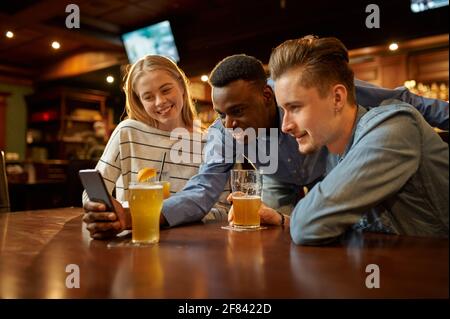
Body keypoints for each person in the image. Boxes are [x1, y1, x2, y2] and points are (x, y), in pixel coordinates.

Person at [85, 53, 449, 239]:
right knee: (282, 239)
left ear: (267, 95)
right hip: (280, 182)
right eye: (220, 113)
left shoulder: (309, 94)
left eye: (238, 111)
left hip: (333, 169)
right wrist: (138, 217)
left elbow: (407, 100)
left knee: (328, 228)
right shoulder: (225, 130)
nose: (228, 124)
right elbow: (201, 191)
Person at [266, 35, 448, 245]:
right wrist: (283, 220)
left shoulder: (394, 128)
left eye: (295, 107)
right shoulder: (333, 156)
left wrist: (299, 220)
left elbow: (306, 225)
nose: (285, 125)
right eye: (283, 110)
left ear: (337, 98)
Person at [82, 55, 228, 239]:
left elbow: (224, 209)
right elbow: (93, 192)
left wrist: (174, 216)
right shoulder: (127, 132)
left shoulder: (210, 141)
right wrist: (103, 212)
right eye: (148, 97)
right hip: (137, 240)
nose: (160, 101)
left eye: (166, 90)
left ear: (182, 86)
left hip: (190, 247)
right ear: (139, 101)